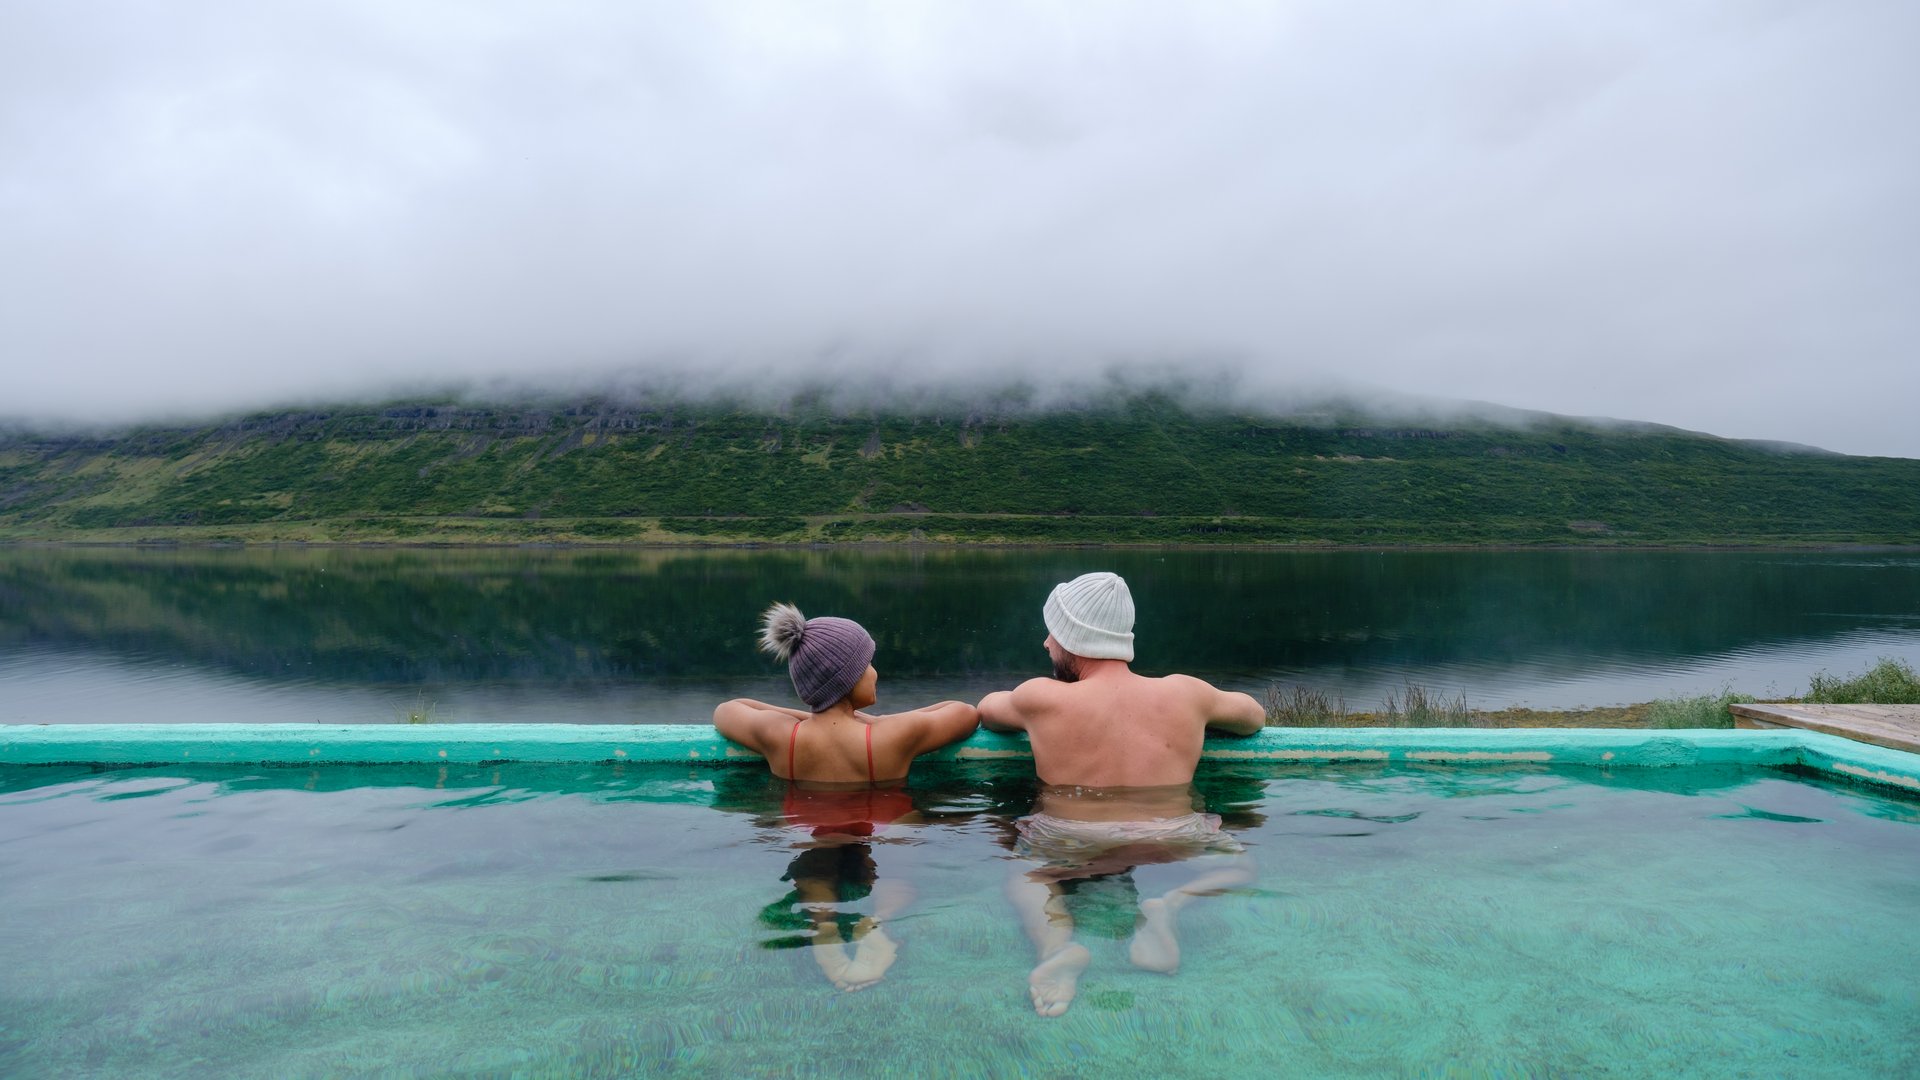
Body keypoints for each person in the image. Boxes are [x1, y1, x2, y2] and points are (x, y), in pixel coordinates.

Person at [978, 571, 1265, 1017]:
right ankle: (1168, 906)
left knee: (1027, 879)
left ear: (1073, 640)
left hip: (1070, 836)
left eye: (1053, 634)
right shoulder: (1186, 692)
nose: (1046, 644)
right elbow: (1253, 716)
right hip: (1171, 833)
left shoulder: (1040, 698)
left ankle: (1057, 949)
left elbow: (987, 711)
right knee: (1241, 866)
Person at [714, 603, 978, 991]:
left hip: (809, 822)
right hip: (883, 817)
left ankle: (823, 929)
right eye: (868, 664)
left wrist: (806, 714)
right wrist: (876, 721)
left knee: (816, 866)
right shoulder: (891, 736)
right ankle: (880, 923)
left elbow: (728, 710)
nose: (875, 672)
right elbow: (964, 712)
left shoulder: (781, 736)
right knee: (901, 858)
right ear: (848, 678)